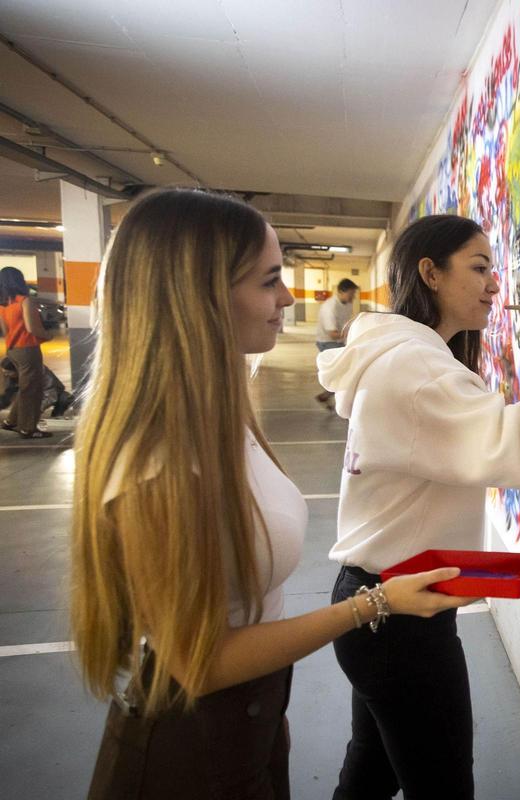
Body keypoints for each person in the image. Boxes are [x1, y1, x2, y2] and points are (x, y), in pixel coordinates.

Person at [70, 189, 477, 800]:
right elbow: (198, 662)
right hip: (189, 755)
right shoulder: (156, 463)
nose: (288, 298)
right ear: (198, 296)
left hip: (252, 725)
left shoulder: (222, 412)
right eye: (268, 281)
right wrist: (371, 604)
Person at [316, 214, 520, 799]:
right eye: (479, 267)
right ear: (431, 273)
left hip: (377, 604)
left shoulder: (402, 355)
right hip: (399, 621)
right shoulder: (414, 369)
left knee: (370, 773)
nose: (495, 283)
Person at [0, 265, 53, 438]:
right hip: (27, 349)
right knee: (32, 389)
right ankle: (28, 428)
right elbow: (32, 328)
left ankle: (12, 421)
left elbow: (5, 331)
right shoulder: (24, 301)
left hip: (13, 349)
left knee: (25, 386)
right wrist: (48, 335)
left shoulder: (3, 304)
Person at [315, 277, 359, 409]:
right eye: (351, 294)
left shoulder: (348, 303)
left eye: (354, 294)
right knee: (344, 371)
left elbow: (348, 323)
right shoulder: (329, 307)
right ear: (341, 292)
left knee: (347, 370)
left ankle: (327, 395)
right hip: (327, 342)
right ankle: (341, 402)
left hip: (340, 340)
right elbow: (332, 334)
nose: (353, 297)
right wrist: (355, 334)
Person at [0, 356, 73, 418]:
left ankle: (56, 416)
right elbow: (7, 395)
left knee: (65, 398)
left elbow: (50, 396)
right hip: (32, 393)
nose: (6, 375)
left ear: (17, 370)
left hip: (48, 393)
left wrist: (35, 412)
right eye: (4, 372)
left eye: (8, 372)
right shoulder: (12, 376)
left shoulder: (40, 372)